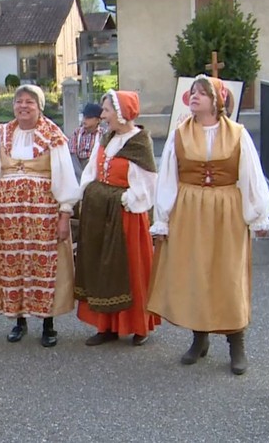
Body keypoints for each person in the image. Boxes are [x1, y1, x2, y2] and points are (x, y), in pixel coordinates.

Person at [148, 75, 269, 375]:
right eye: (192, 92)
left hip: (226, 209)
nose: (194, 97)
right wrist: (162, 220)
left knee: (227, 274)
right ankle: (199, 338)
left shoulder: (238, 134)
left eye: (202, 93)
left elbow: (250, 175)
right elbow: (167, 178)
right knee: (195, 273)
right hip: (189, 210)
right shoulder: (180, 134)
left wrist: (258, 215)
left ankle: (236, 342)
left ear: (217, 101)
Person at [0, 84, 79, 347]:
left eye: (29, 102)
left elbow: (65, 176)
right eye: (19, 101)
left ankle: (48, 323)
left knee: (43, 265)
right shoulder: (2, 134)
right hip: (9, 214)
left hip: (42, 213)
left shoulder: (53, 135)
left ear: (40, 107)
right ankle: (19, 320)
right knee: (14, 264)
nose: (23, 106)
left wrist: (64, 214)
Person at [74, 90, 160, 346]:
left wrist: (126, 199)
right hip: (101, 214)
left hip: (127, 219)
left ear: (122, 114)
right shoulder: (107, 139)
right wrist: (89, 192)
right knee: (103, 269)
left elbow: (148, 184)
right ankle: (107, 325)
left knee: (131, 271)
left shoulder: (139, 142)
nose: (103, 115)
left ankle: (139, 326)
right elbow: (91, 170)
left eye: (108, 110)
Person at [69, 103, 104, 174]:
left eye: (89, 118)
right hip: (78, 168)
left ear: (98, 120)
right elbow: (72, 155)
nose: (84, 120)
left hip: (96, 169)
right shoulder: (77, 133)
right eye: (84, 117)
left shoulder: (103, 134)